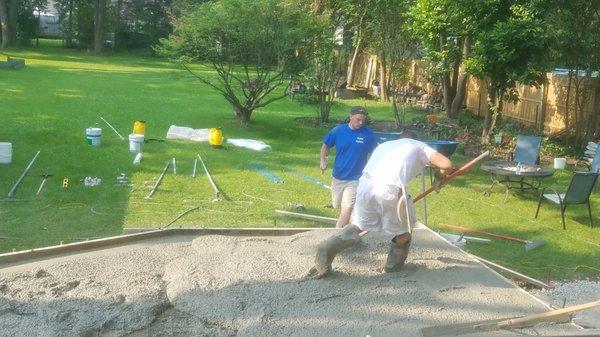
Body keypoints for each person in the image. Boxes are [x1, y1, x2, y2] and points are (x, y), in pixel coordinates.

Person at [310, 131, 453, 277]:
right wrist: (439, 177)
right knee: (404, 231)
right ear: (415, 139)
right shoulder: (419, 146)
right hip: (390, 189)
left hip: (365, 186)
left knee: (358, 226)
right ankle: (393, 268)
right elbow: (446, 164)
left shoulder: (385, 145)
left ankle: (326, 249)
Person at [320, 106, 377, 228]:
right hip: (338, 176)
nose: (361, 123)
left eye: (363, 120)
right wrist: (322, 160)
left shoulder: (368, 134)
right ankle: (351, 230)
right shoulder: (338, 131)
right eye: (358, 119)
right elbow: (326, 145)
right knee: (339, 206)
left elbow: (376, 153)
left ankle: (336, 236)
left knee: (347, 208)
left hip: (356, 178)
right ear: (350, 117)